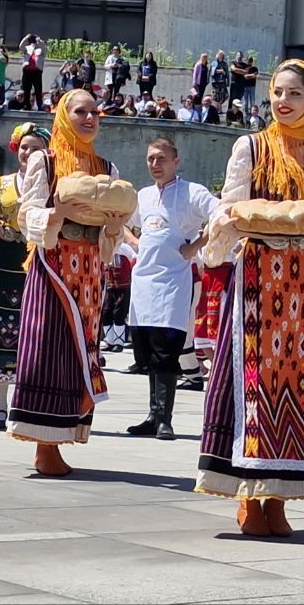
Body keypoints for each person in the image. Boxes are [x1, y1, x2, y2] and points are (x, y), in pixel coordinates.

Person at [196, 59, 304, 537]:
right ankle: (247, 490)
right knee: (253, 382)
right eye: (277, 93)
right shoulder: (252, 147)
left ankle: (279, 494)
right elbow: (228, 207)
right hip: (259, 273)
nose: (282, 102)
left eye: (294, 95)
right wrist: (233, 227)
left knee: (298, 389)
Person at [8, 90, 131, 476]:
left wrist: (113, 225)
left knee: (82, 350)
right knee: (50, 348)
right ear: (64, 115)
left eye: (94, 112)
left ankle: (60, 438)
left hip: (91, 267)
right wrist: (57, 212)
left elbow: (114, 226)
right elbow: (25, 215)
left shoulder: (105, 167)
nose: (90, 118)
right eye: (81, 112)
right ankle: (44, 444)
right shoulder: (45, 162)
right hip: (54, 264)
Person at [124, 137, 219, 440]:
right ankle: (152, 416)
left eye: (161, 158)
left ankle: (165, 419)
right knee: (147, 353)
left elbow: (220, 215)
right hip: (143, 283)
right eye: (151, 158)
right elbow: (120, 221)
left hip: (173, 283)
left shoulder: (192, 192)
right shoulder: (143, 196)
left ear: (176, 161)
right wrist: (133, 241)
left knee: (167, 351)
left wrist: (197, 246)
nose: (155, 164)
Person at [0, 123, 52, 429]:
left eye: (35, 148)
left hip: (37, 259)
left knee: (34, 332)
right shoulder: (0, 185)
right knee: (1, 330)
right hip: (3, 259)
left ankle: (31, 403)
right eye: (24, 147)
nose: (28, 152)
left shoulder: (52, 187)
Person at [18, 34, 45, 107]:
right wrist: (26, 38)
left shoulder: (41, 49)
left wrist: (39, 40)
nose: (34, 43)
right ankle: (27, 105)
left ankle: (39, 106)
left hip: (37, 71)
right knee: (26, 90)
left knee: (38, 90)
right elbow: (21, 46)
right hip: (27, 71)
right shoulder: (27, 48)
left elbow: (45, 48)